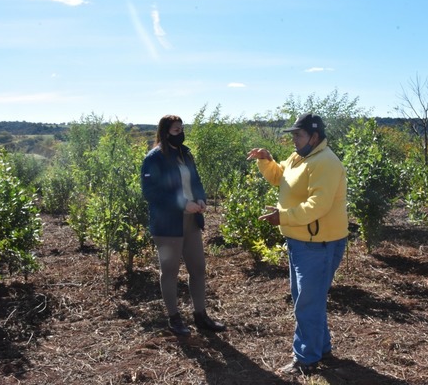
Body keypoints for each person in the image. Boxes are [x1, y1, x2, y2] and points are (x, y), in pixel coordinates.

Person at [247, 113, 348, 375]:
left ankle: (306, 359)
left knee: (307, 302)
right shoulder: (300, 157)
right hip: (302, 240)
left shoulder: (325, 161)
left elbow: (318, 205)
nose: (294, 139)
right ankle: (321, 347)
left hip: (319, 243)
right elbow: (282, 178)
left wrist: (284, 217)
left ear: (314, 136)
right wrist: (267, 161)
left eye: (298, 135)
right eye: (293, 135)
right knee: (308, 299)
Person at [141, 114, 226, 335]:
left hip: (191, 221)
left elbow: (195, 181)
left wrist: (200, 199)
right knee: (169, 272)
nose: (181, 133)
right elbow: (151, 193)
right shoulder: (154, 158)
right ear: (165, 131)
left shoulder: (185, 153)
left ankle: (200, 316)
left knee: (198, 269)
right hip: (168, 223)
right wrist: (182, 204)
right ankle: (174, 318)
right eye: (177, 130)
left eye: (182, 129)